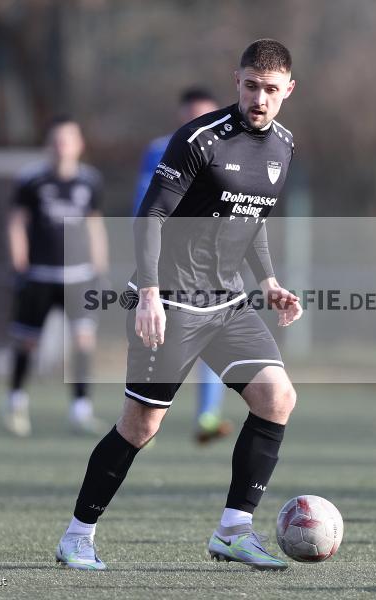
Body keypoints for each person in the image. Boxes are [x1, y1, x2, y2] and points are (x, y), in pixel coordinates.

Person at [56, 39, 302, 571]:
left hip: (229, 301)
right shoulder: (198, 139)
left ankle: (234, 530)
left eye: (271, 89)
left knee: (276, 398)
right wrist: (148, 295)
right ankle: (78, 535)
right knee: (140, 427)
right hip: (170, 299)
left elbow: (250, 218)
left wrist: (269, 280)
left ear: (288, 90)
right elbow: (151, 217)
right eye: (252, 86)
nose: (260, 98)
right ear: (237, 81)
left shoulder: (284, 146)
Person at [134, 87, 232, 445]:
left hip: (212, 265)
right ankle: (143, 417)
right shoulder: (161, 149)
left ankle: (207, 416)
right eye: (191, 113)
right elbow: (145, 204)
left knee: (210, 336)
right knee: (159, 339)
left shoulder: (227, 146)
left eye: (204, 114)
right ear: (180, 115)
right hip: (169, 263)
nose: (197, 121)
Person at [3, 116, 108, 437]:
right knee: (27, 341)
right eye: (56, 140)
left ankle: (81, 410)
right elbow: (17, 221)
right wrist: (18, 258)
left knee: (83, 340)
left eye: (68, 139)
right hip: (39, 275)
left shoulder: (90, 181)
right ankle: (16, 402)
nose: (62, 146)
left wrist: (99, 266)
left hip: (78, 276)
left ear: (79, 145)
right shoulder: (32, 180)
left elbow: (94, 223)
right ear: (48, 145)